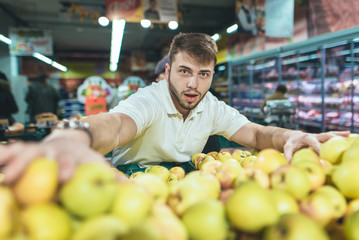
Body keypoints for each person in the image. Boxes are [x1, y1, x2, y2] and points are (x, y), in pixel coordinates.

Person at [0, 33, 349, 182]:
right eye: (184, 72)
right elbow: (115, 124)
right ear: (168, 71)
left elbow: (257, 132)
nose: (193, 85)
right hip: (130, 182)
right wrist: (73, 138)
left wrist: (293, 134)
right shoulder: (150, 99)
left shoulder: (211, 106)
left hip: (181, 184)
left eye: (203, 74)